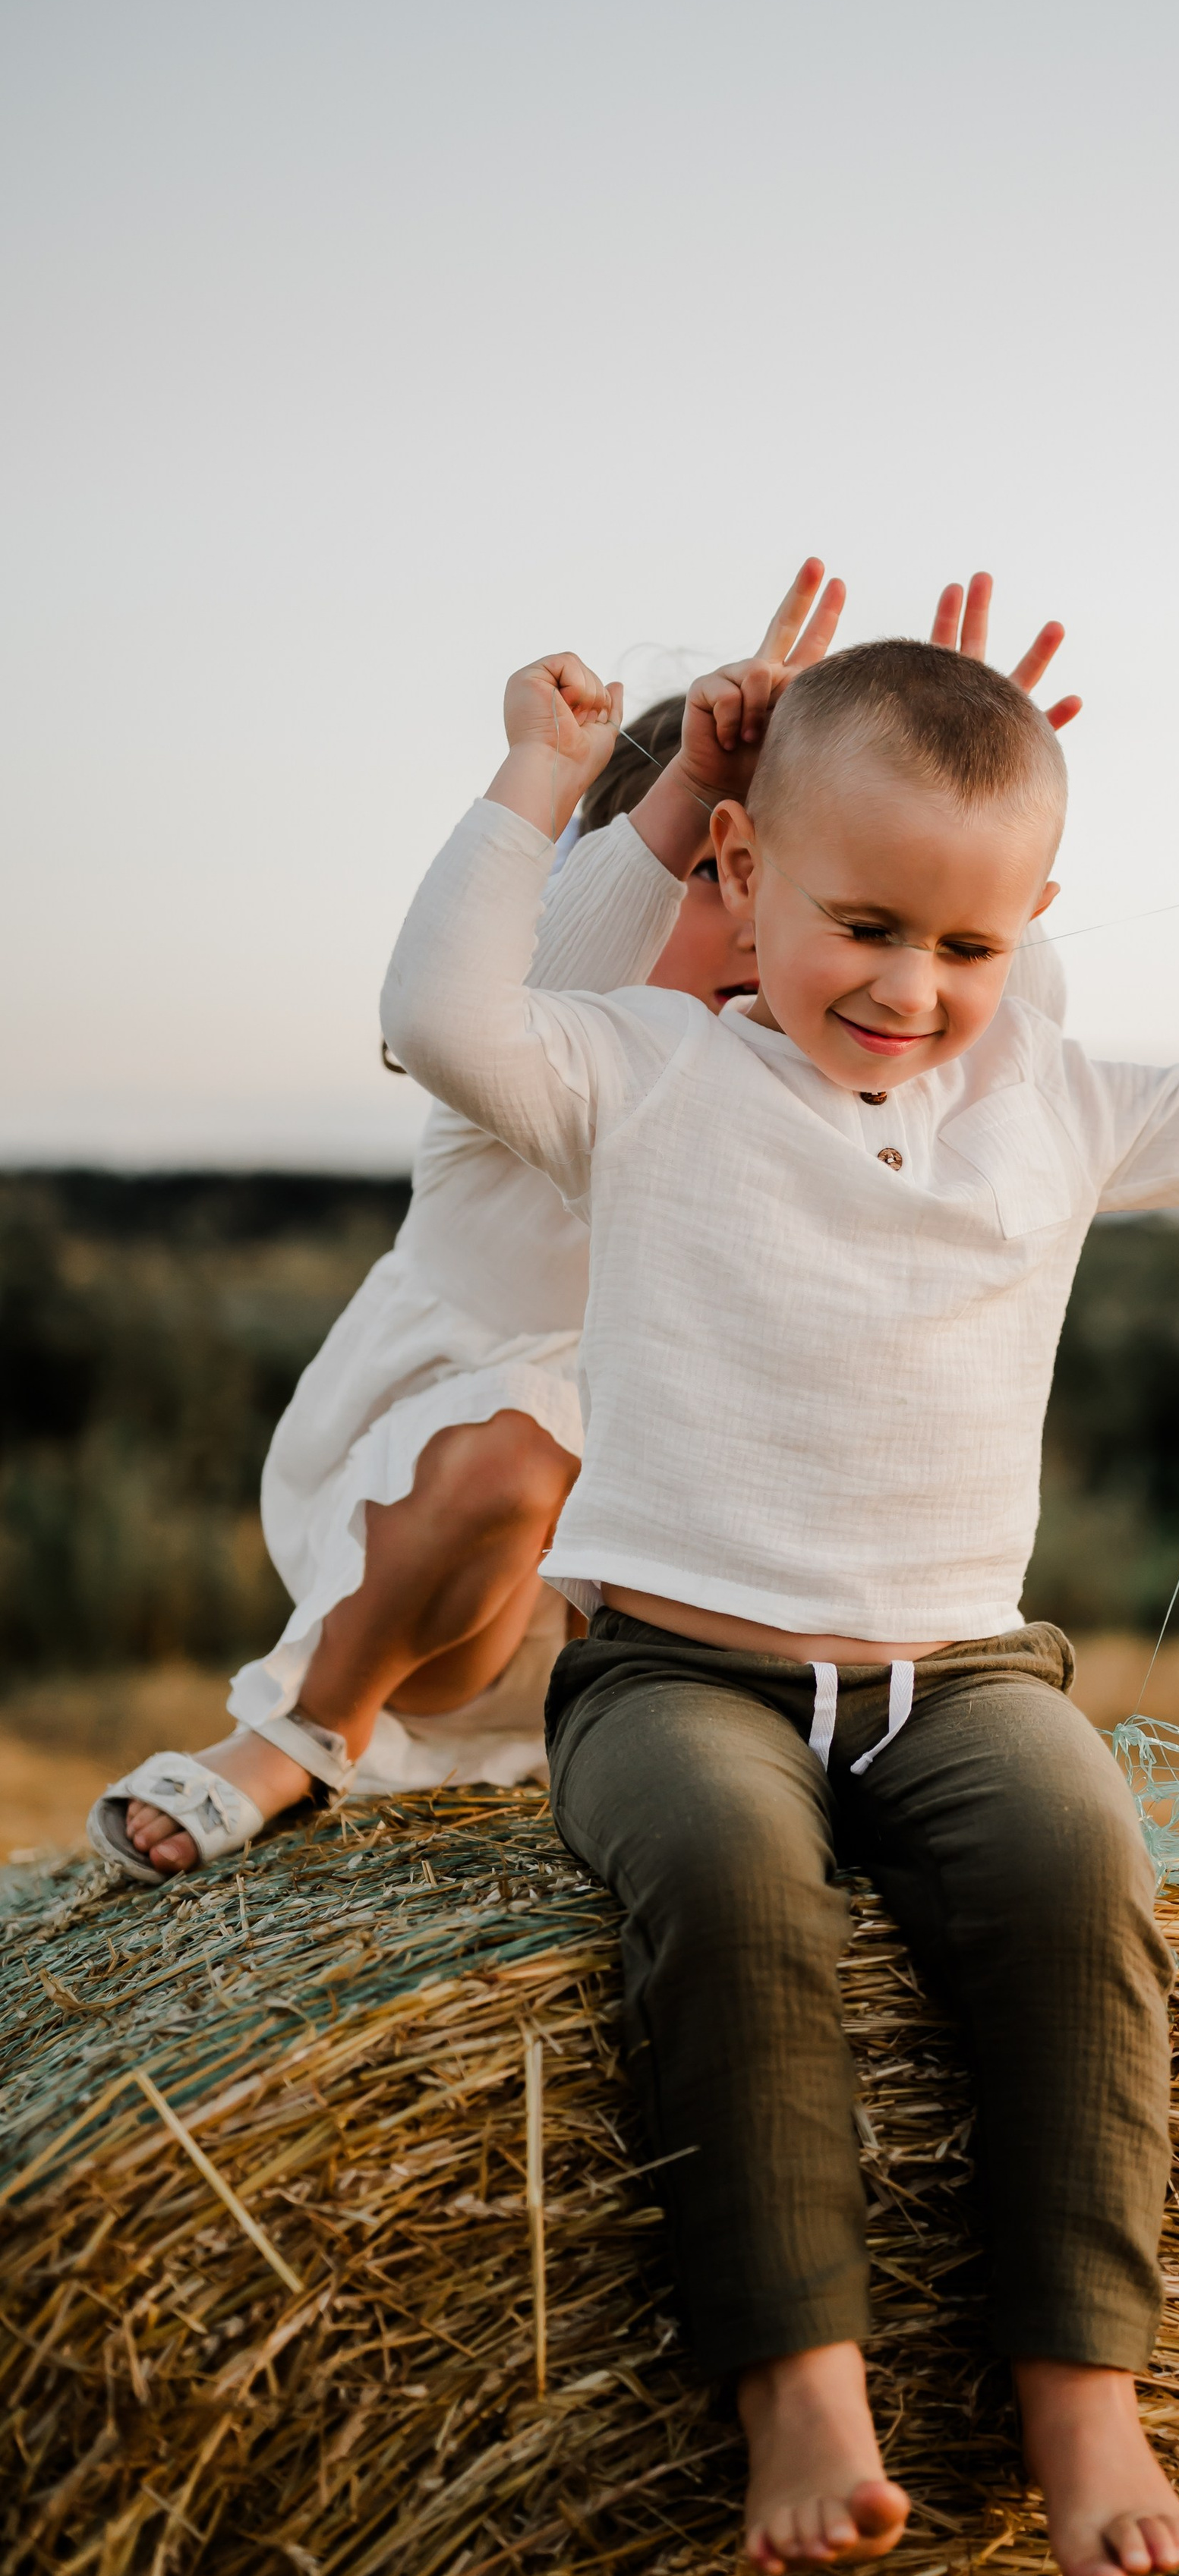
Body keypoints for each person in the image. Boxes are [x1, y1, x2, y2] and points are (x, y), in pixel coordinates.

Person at [372, 571, 1179, 2576]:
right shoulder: (650, 1076)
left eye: (971, 941)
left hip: (965, 1684)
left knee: (1090, 1880)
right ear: (745, 867)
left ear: (1034, 933)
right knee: (732, 1892)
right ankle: (797, 2378)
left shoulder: (1045, 1111)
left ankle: (1085, 2385)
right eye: (867, 926)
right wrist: (537, 779)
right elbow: (441, 1022)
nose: (912, 985)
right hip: (677, 1686)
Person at [89, 566, 1077, 1881]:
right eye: (706, 876)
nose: (745, 922)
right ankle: (301, 1729)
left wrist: (968, 803)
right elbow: (530, 978)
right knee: (521, 1443)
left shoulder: (814, 1102)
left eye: (804, 891)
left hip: (647, 1592)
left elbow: (1006, 1056)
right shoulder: (544, 1058)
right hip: (430, 1526)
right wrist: (675, 795)